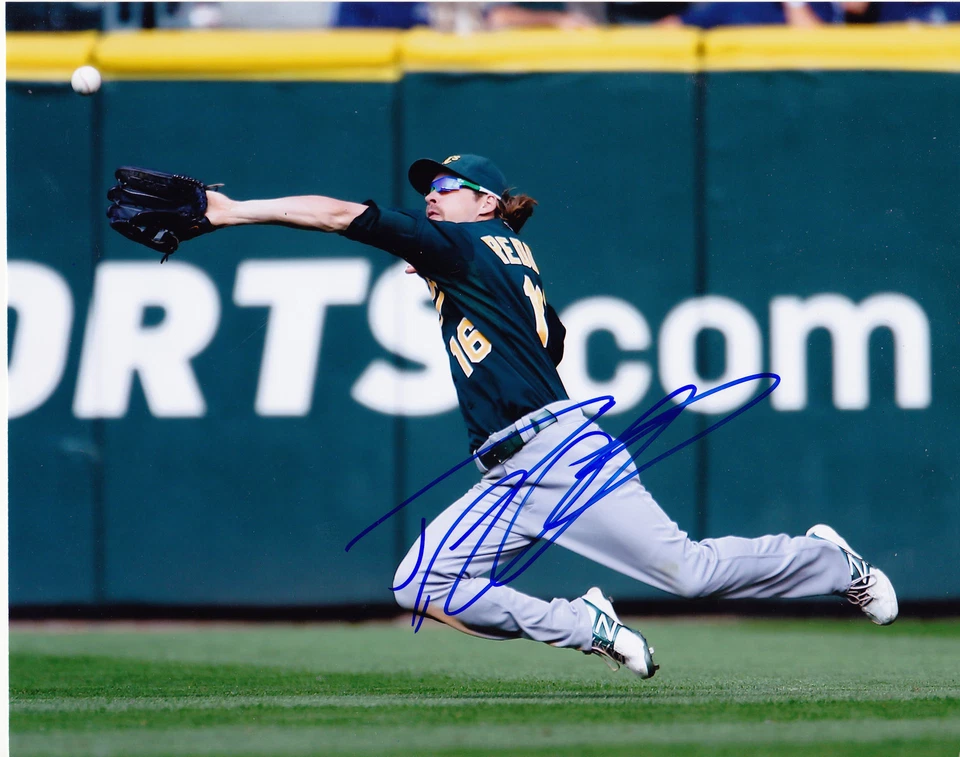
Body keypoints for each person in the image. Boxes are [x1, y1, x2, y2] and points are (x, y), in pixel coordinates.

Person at [202, 153, 898, 678]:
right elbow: (552, 340)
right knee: (422, 582)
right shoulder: (500, 254)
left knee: (684, 573)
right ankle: (584, 622)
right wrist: (456, 279)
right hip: (519, 464)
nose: (430, 200)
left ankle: (830, 560)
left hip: (555, 456)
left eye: (443, 189)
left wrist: (232, 211)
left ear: (485, 202)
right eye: (428, 191)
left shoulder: (464, 245)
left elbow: (339, 214)